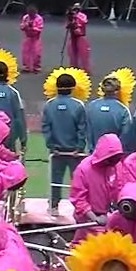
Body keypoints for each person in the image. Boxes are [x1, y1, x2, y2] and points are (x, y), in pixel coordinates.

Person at [42, 72, 90, 206]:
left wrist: (51, 146)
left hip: (56, 151)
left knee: (55, 180)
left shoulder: (49, 105)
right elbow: (82, 128)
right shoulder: (78, 105)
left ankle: (53, 204)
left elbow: (46, 127)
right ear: (73, 88)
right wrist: (79, 147)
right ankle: (80, 205)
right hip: (75, 152)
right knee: (78, 180)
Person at [69, 134, 125, 223]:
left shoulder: (116, 166)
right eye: (112, 159)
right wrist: (95, 218)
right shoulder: (83, 169)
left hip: (109, 216)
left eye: (117, 158)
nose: (114, 162)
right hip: (88, 220)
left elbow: (120, 188)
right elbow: (78, 198)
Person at [86, 73, 132, 149]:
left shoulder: (92, 106)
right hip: (113, 153)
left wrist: (91, 149)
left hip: (94, 152)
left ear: (102, 88)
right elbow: (126, 135)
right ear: (118, 90)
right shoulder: (123, 109)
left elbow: (87, 130)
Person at [19, 6, 45, 74]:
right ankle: (26, 67)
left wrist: (32, 27)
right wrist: (25, 26)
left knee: (36, 53)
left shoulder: (39, 18)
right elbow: (21, 26)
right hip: (27, 37)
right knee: (25, 53)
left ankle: (36, 67)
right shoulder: (25, 17)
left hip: (36, 38)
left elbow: (40, 29)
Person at [66, 4, 91, 70]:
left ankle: (85, 69)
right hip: (72, 36)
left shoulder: (82, 15)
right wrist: (70, 20)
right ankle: (73, 67)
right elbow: (67, 26)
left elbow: (84, 21)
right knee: (72, 53)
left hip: (81, 36)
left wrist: (76, 17)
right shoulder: (70, 16)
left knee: (84, 54)